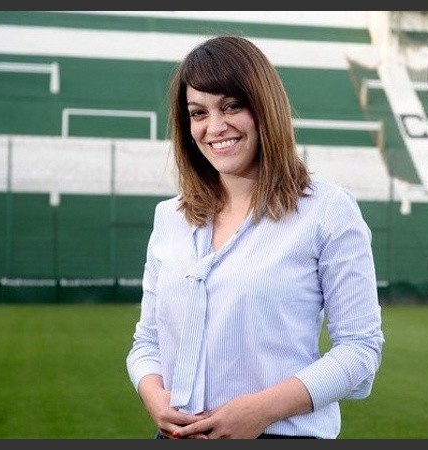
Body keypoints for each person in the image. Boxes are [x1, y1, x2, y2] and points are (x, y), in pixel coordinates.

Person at [125, 35, 384, 440]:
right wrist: (154, 397)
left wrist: (259, 412)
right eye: (198, 112)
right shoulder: (169, 218)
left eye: (231, 106)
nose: (215, 127)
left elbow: (360, 351)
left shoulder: (327, 211)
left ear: (264, 107)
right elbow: (147, 342)